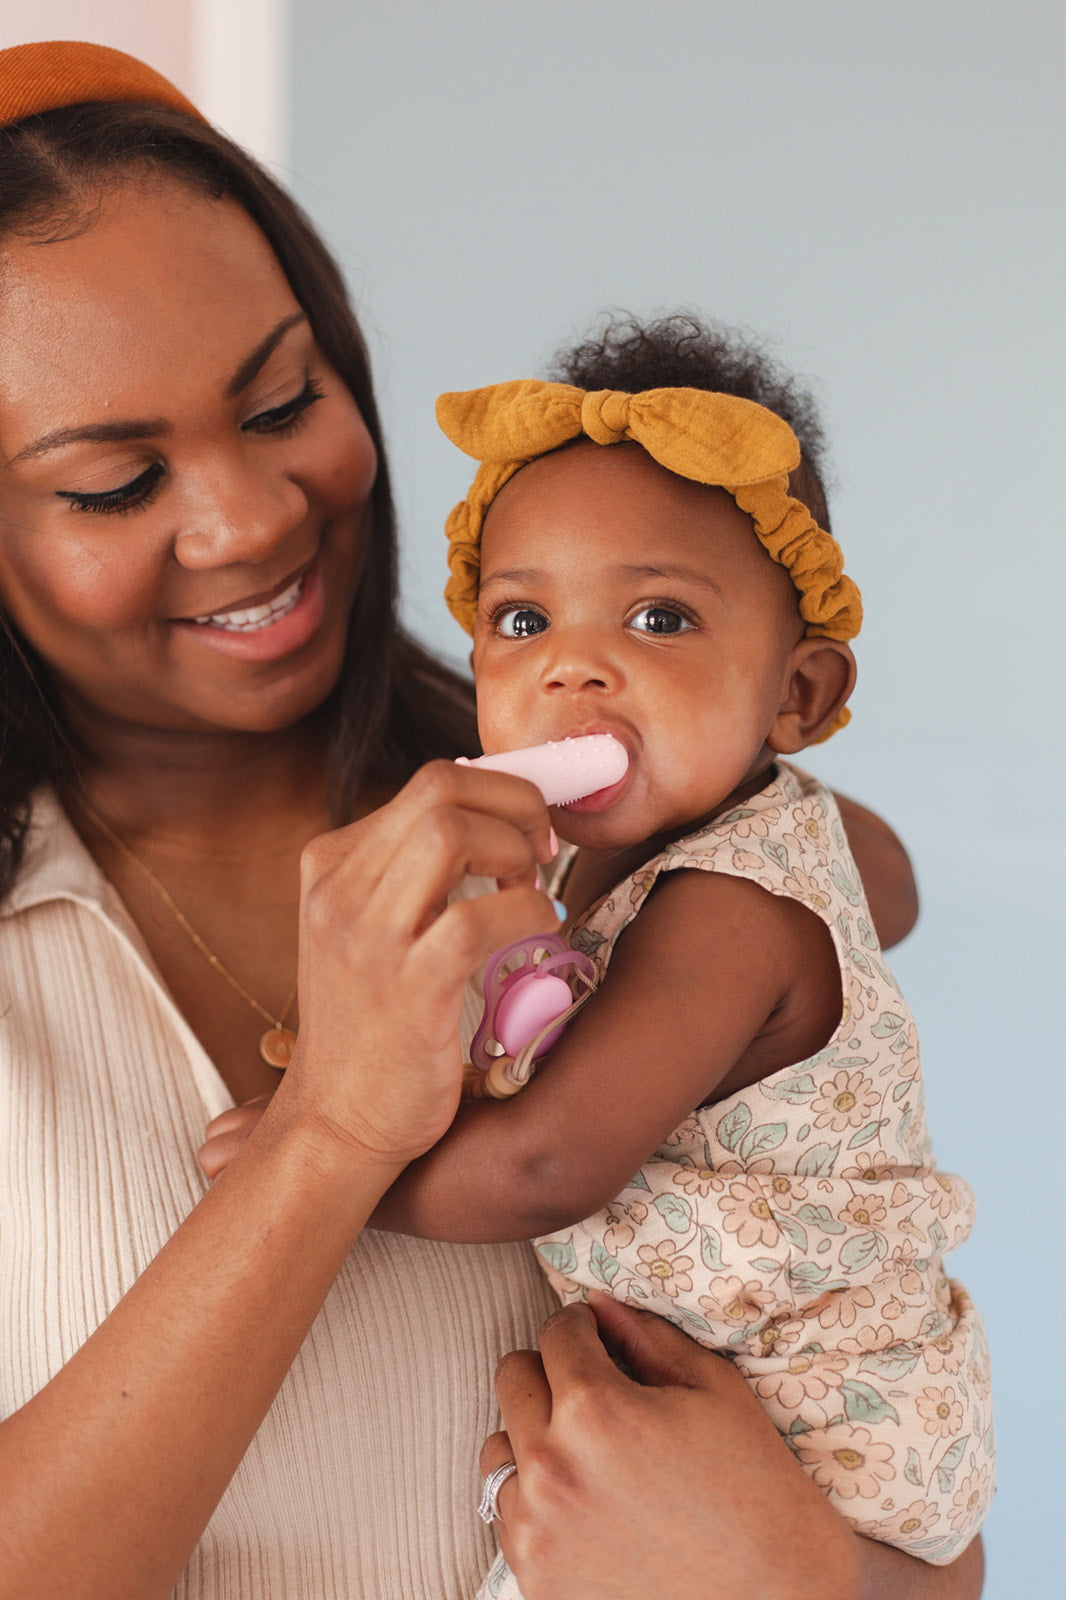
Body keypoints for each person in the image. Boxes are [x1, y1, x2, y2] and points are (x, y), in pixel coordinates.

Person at [0, 39, 984, 1600]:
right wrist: (323, 1136)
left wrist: (791, 1577)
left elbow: (910, 1517)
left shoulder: (629, 839)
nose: (253, 518)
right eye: (116, 482)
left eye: (282, 399)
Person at [355, 322, 996, 1592]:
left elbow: (548, 1162)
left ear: (795, 697)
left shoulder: (727, 901)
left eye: (660, 617)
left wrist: (327, 1165)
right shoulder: (600, 846)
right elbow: (893, 879)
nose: (571, 667)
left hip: (820, 1424)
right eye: (521, 617)